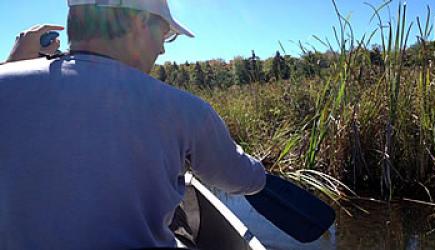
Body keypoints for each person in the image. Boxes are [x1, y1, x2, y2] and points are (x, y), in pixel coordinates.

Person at [0, 1, 266, 249]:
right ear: (139, 23)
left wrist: (11, 65)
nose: (162, 49)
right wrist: (259, 169)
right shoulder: (185, 109)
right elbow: (242, 180)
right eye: (164, 35)